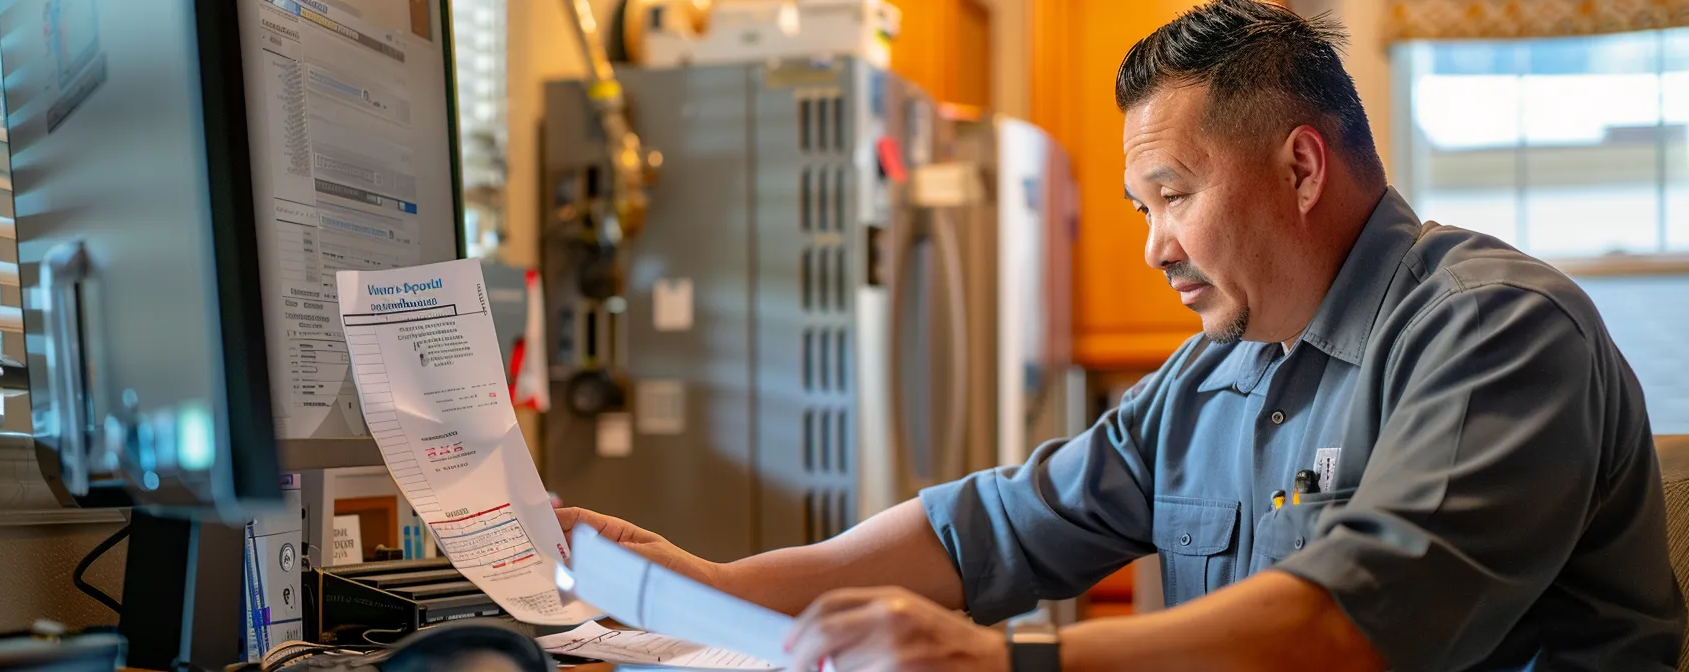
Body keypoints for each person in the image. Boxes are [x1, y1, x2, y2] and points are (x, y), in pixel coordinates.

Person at [558, 0, 1687, 668]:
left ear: (1299, 166)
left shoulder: (1494, 331)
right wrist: (705, 586)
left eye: (1172, 195)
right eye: (1141, 209)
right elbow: (981, 530)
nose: (1151, 247)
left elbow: (1343, 631)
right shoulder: (1211, 377)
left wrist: (1010, 659)